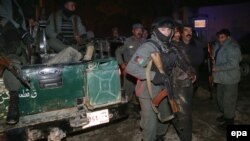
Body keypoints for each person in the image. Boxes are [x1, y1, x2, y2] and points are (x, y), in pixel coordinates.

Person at [126, 18, 176, 141]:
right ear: (156, 30)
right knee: (150, 122)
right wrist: (154, 76)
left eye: (168, 30)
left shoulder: (167, 46)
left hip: (163, 89)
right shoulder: (148, 46)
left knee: (166, 116)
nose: (166, 32)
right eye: (162, 29)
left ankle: (159, 136)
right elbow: (131, 67)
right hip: (147, 90)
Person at [0, 0, 34, 124]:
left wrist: (24, 31)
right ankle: (14, 98)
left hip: (13, 42)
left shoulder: (16, 4)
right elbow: (6, 20)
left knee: (16, 59)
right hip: (5, 40)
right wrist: (21, 31)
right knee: (11, 60)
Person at [171, 24, 196, 141]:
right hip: (177, 85)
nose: (176, 35)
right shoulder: (167, 47)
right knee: (182, 117)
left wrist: (193, 73)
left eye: (178, 32)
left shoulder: (180, 45)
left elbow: (188, 62)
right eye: (174, 32)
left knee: (186, 114)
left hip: (187, 84)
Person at [212, 29, 242, 130]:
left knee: (229, 101)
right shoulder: (219, 45)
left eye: (222, 37)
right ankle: (225, 115)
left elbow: (233, 63)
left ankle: (229, 121)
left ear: (228, 37)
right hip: (221, 78)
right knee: (221, 99)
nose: (220, 40)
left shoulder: (233, 47)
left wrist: (218, 68)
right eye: (219, 37)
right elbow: (215, 55)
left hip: (230, 79)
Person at [115, 23, 145, 107]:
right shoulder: (127, 41)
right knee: (128, 90)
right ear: (133, 31)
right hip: (130, 70)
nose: (139, 32)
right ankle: (125, 107)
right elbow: (118, 51)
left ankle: (140, 107)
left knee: (142, 90)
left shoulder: (144, 42)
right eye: (137, 30)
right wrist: (122, 64)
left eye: (140, 30)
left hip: (141, 69)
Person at [180, 24, 204, 92]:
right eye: (186, 30)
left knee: (190, 94)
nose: (189, 32)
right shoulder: (177, 44)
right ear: (181, 33)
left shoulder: (197, 44)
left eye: (190, 30)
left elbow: (199, 60)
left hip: (193, 74)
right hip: (179, 76)